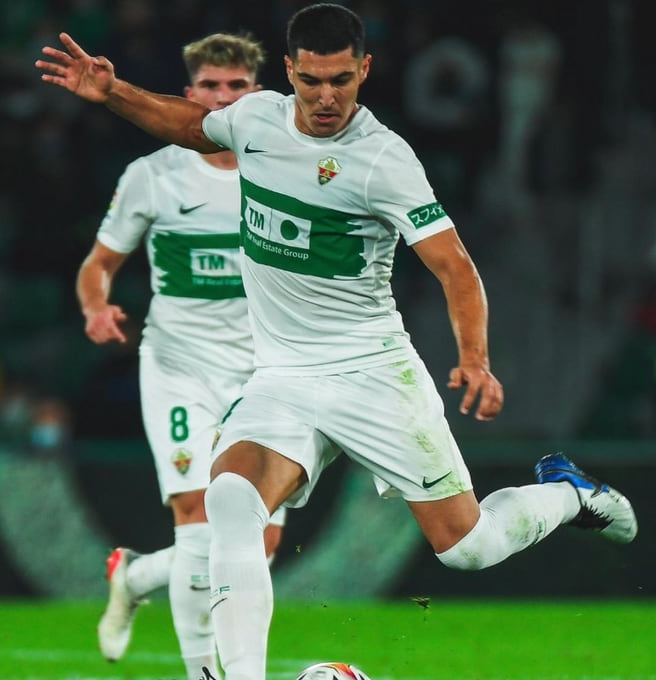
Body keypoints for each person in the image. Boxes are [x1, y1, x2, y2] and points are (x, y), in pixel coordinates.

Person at [36, 5, 638, 680]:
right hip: (283, 379)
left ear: (365, 71)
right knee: (230, 499)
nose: (327, 97)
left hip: (373, 375)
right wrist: (112, 91)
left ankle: (569, 494)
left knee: (467, 547)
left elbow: (454, 266)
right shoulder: (258, 117)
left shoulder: (383, 159)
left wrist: (474, 358)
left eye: (342, 81)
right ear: (290, 70)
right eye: (314, 80)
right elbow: (187, 124)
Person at [73, 32, 286, 680]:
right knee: (197, 521)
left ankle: (136, 576)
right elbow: (99, 263)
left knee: (256, 542)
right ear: (190, 95)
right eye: (212, 88)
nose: (224, 98)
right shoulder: (153, 175)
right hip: (179, 365)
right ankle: (204, 674)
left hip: (263, 376)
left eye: (237, 87)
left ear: (256, 94)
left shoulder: (283, 169)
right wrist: (95, 306)